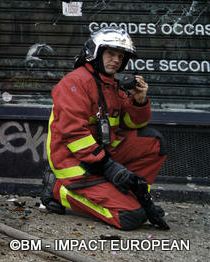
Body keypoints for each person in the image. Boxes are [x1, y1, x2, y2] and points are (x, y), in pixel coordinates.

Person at [41, 27, 168, 230]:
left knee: (153, 143)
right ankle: (59, 190)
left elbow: (132, 124)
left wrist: (139, 100)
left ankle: (135, 196)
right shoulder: (74, 83)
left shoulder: (111, 85)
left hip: (102, 155)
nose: (116, 60)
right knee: (130, 217)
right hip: (75, 163)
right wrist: (109, 167)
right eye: (110, 53)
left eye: (121, 56)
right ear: (95, 53)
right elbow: (74, 135)